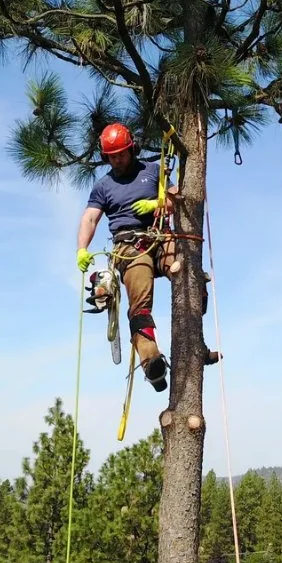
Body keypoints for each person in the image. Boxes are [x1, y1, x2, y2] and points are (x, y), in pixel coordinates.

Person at [76, 122, 217, 392]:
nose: (117, 159)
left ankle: (196, 343)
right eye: (111, 156)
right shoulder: (103, 186)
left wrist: (158, 203)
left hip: (159, 236)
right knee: (139, 304)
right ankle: (151, 362)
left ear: (131, 149)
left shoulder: (152, 171)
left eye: (121, 153)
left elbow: (175, 196)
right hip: (129, 246)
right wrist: (82, 248)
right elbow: (90, 218)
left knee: (187, 268)